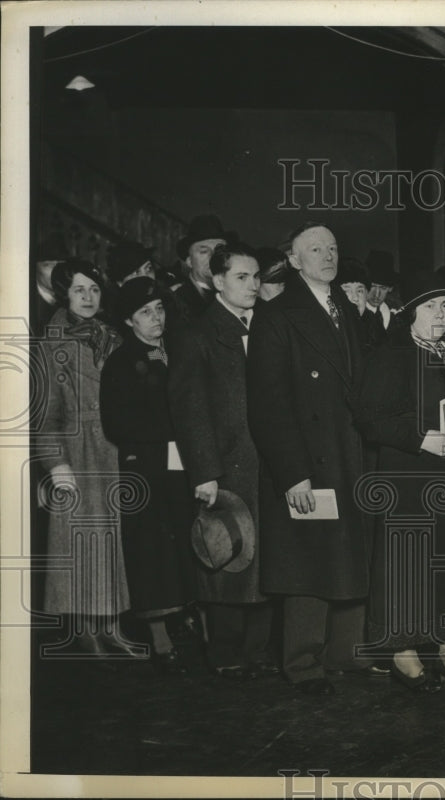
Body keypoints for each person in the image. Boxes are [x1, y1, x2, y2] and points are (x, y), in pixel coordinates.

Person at [246, 222, 372, 696]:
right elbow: (267, 404)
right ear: (294, 261)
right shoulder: (277, 316)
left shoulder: (345, 310)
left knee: (346, 553)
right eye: (314, 249)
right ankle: (301, 662)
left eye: (333, 247)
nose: (327, 255)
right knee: (308, 561)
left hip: (348, 451)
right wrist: (293, 474)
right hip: (309, 458)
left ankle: (345, 653)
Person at [354, 271, 445, 695]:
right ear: (409, 315)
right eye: (430, 307)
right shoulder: (391, 354)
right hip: (407, 474)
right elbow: (369, 418)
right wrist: (420, 437)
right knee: (406, 562)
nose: (440, 314)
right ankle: (401, 650)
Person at [168, 242, 277, 680]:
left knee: (265, 558)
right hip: (227, 465)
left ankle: (259, 650)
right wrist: (206, 473)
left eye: (255, 277)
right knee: (226, 555)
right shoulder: (197, 334)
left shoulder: (268, 326)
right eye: (241, 277)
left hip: (267, 462)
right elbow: (189, 410)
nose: (253, 285)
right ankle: (227, 653)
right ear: (217, 281)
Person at [36, 260, 137, 656]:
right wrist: (56, 464)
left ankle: (112, 627)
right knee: (82, 545)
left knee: (113, 544)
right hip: (77, 456)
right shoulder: (51, 343)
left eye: (94, 290)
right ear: (65, 294)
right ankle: (84, 631)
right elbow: (44, 415)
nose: (88, 297)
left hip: (113, 451)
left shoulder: (111, 337)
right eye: (79, 290)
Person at [101, 277, 198, 672]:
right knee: (151, 550)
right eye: (145, 312)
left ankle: (193, 620)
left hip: (181, 465)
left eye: (159, 309)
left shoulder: (178, 351)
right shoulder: (122, 363)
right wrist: (171, 432)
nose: (155, 318)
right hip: (146, 468)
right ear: (128, 320)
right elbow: (117, 425)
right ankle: (159, 638)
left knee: (185, 540)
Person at [172, 215, 231, 322]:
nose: (213, 257)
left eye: (220, 249)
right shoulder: (175, 301)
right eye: (204, 251)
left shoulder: (235, 293)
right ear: (189, 261)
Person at [365, 249, 399, 336]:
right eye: (372, 286)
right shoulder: (355, 311)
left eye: (383, 288)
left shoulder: (398, 312)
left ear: (390, 289)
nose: (376, 294)